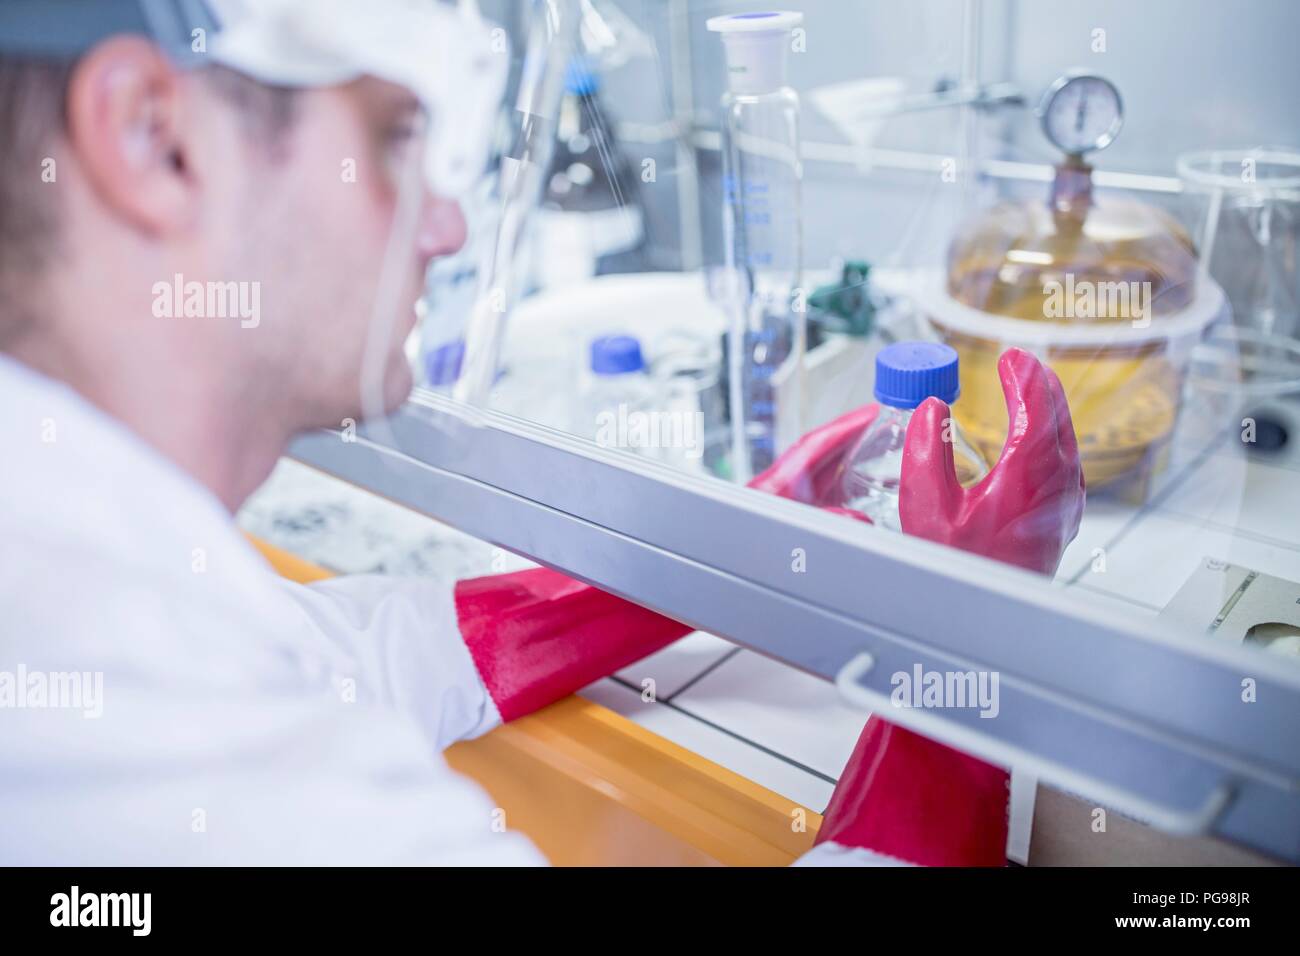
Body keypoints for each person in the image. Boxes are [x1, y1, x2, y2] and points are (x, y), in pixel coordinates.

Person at [0, 0, 1084, 865]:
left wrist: (727, 543)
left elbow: (342, 659)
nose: (448, 223)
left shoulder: (72, 557)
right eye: (393, 137)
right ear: (155, 142)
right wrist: (964, 670)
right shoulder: (148, 738)